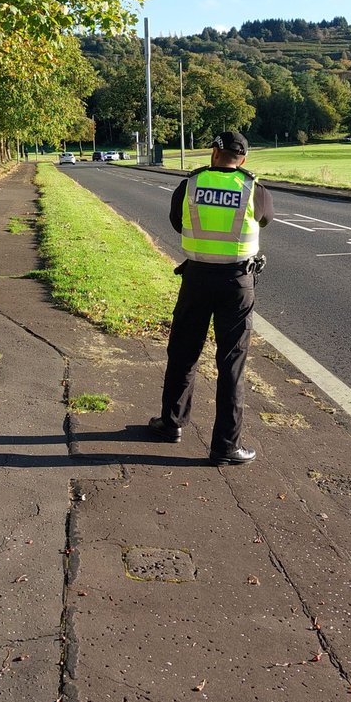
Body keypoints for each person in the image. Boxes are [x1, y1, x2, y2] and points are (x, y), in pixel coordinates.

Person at [149, 130, 273, 465]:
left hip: (197, 278)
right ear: (242, 159)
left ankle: (171, 423)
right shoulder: (254, 188)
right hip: (237, 282)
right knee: (231, 362)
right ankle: (225, 446)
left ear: (213, 153)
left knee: (183, 352)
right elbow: (265, 220)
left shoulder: (190, 184)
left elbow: (177, 223)